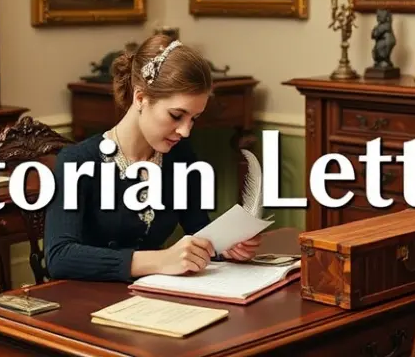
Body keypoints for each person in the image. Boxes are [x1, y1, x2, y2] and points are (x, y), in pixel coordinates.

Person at [44, 34, 262, 282]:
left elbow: (199, 230)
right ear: (140, 97)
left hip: (153, 299)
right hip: (85, 303)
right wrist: (160, 260)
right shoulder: (78, 161)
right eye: (176, 115)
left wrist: (226, 247)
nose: (185, 130)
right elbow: (59, 257)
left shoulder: (179, 157)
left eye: (194, 118)